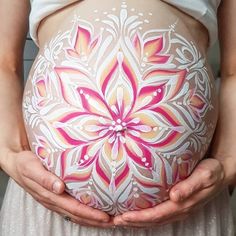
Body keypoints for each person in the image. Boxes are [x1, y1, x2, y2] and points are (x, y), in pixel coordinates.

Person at [0, 0, 235, 235]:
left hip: (186, 206)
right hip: (49, 199)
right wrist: (10, 154)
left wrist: (228, 162)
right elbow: (4, 62)